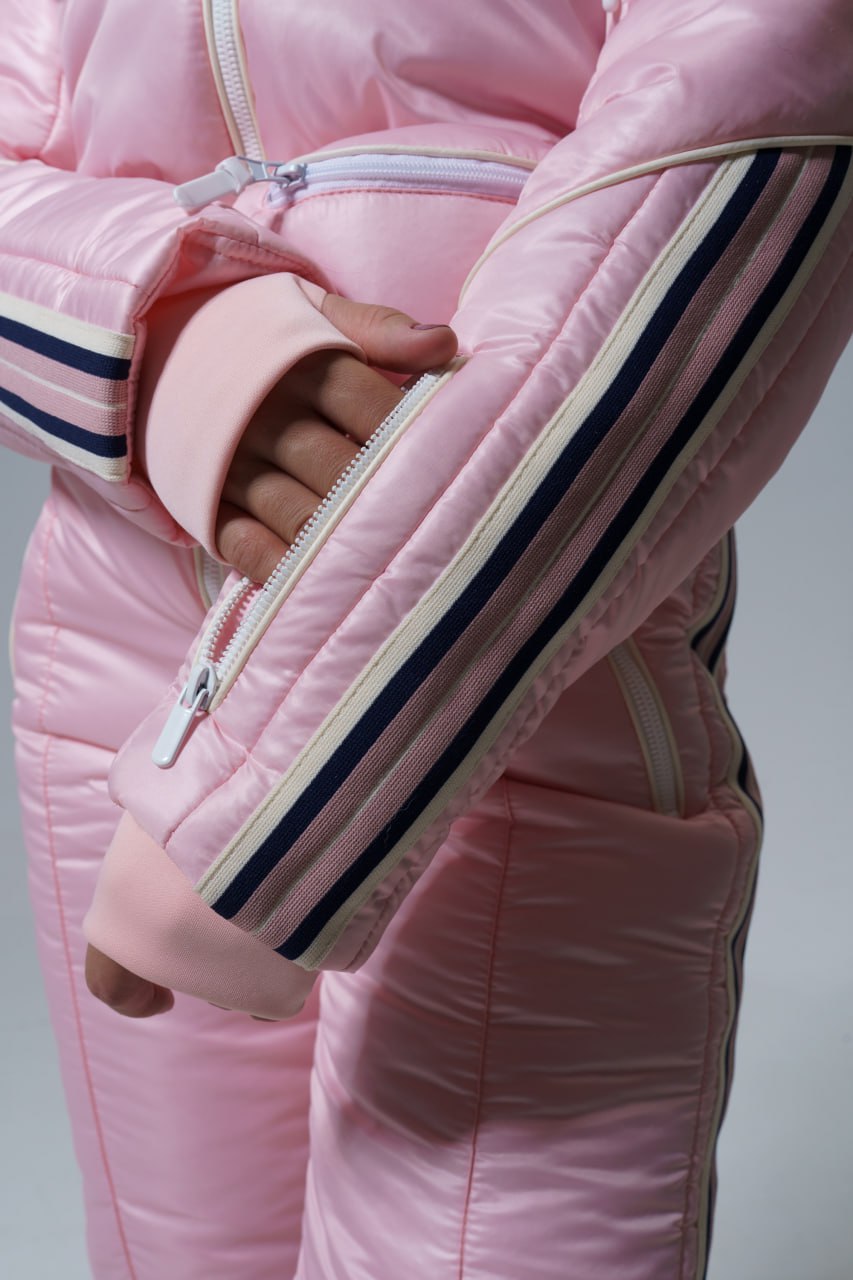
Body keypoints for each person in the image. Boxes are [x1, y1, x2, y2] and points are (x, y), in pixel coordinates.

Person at [2, 0, 851, 1276]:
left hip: (526, 652)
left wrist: (260, 797)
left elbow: (729, 179)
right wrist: (176, 341)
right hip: (112, 643)